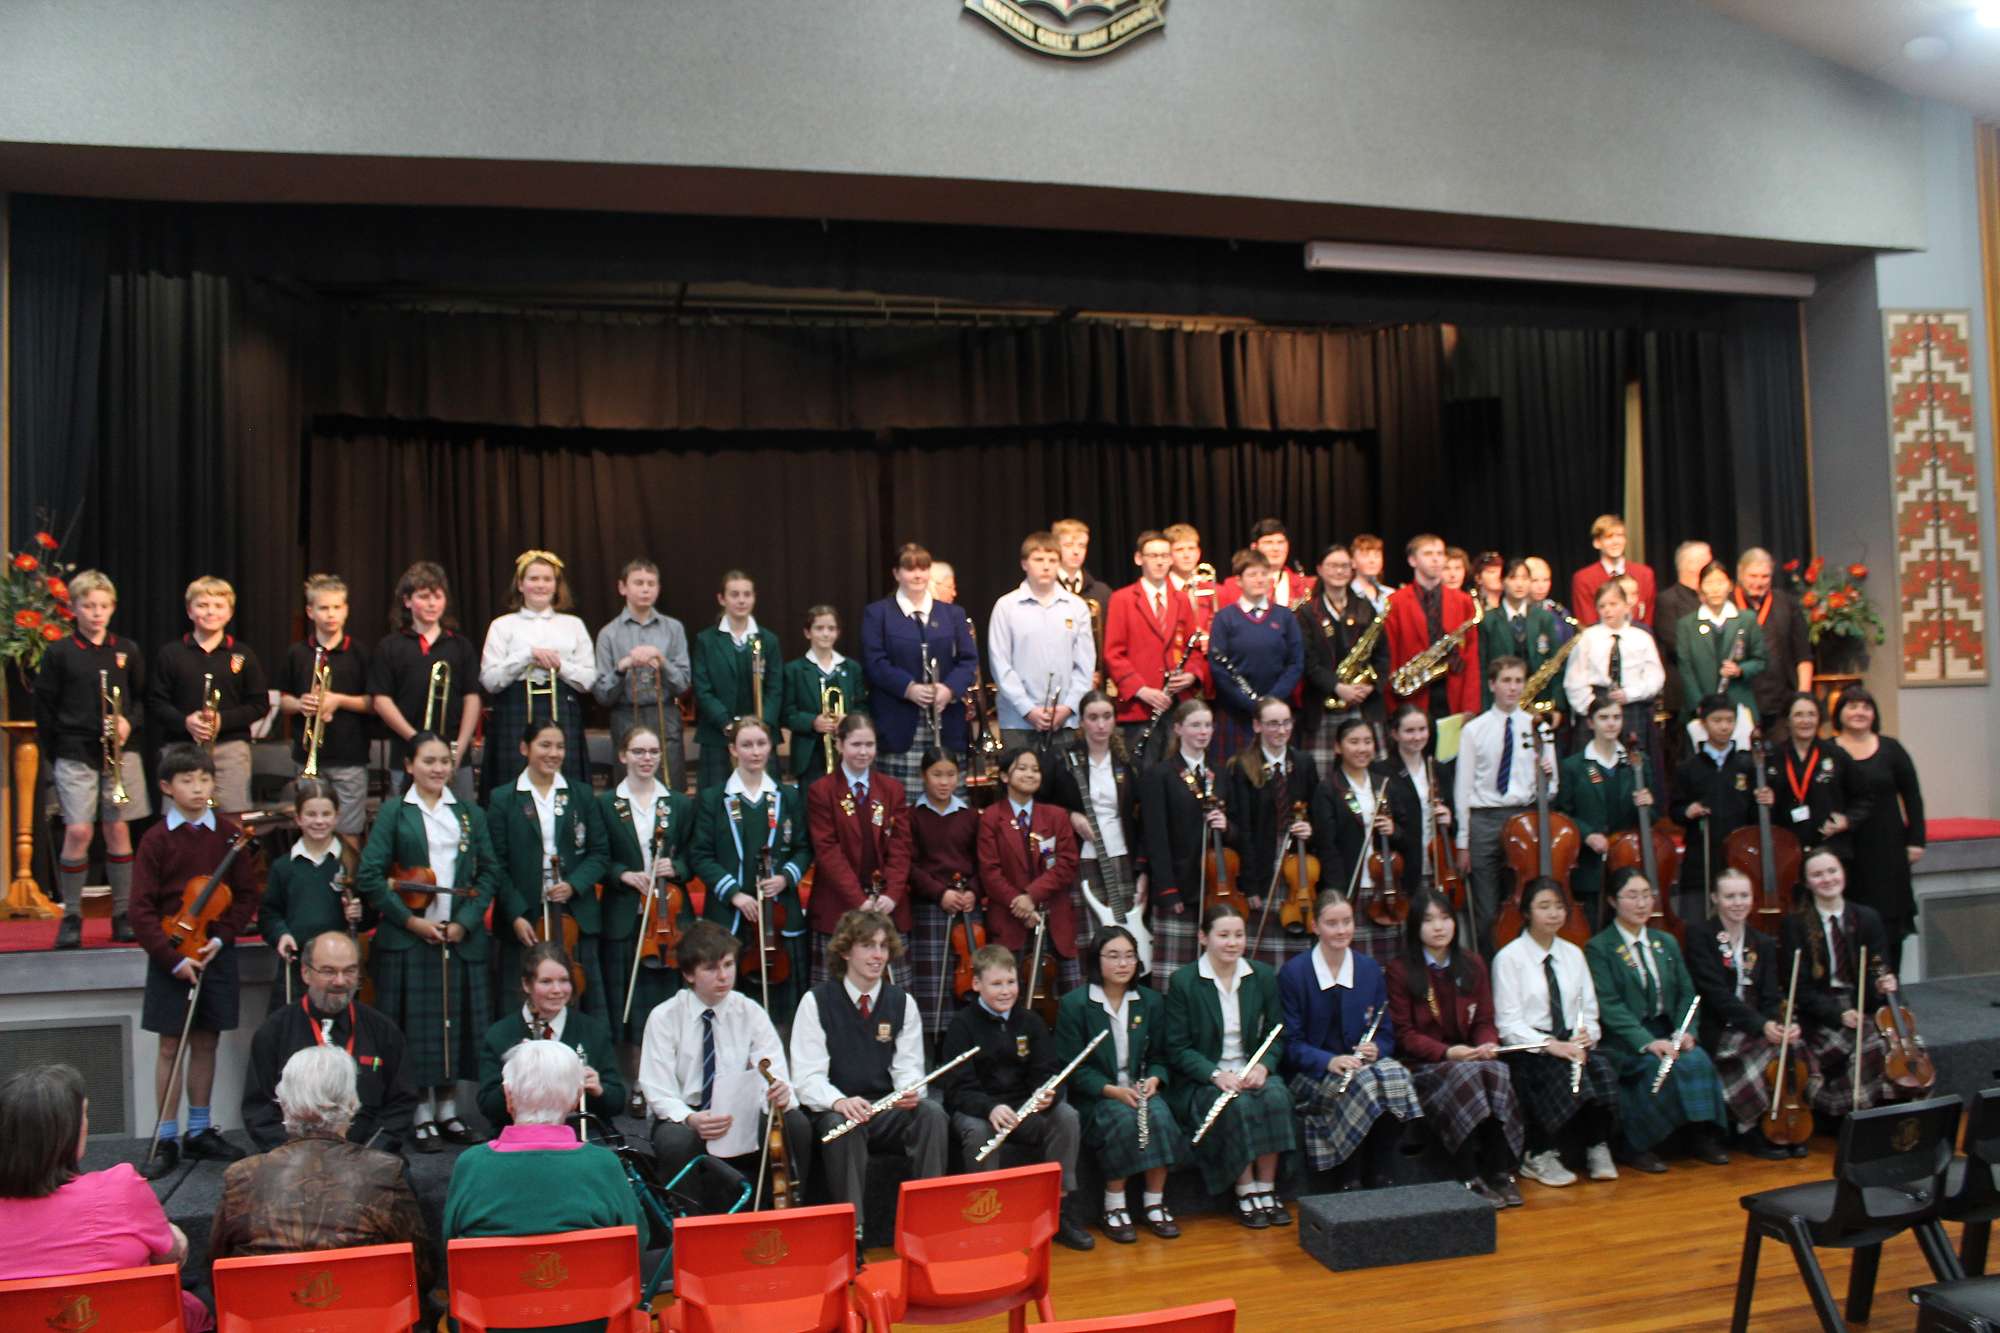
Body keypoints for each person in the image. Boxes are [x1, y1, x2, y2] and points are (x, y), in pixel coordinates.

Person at [356, 731, 502, 1154]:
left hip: (458, 937)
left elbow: (489, 872)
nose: (438, 769)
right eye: (429, 761)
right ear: (409, 765)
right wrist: (410, 921)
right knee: (415, 1032)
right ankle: (418, 1113)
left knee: (453, 1028)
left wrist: (466, 922)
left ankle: (449, 1111)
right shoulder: (394, 812)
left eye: (444, 761)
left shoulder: (470, 813)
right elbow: (370, 875)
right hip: (411, 938)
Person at [212, 1045, 434, 1308]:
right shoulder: (385, 1172)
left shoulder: (241, 1176)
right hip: (367, 1319)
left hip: (269, 1320)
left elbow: (216, 1273)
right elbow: (419, 1275)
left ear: (284, 1104)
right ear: (352, 1103)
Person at [129, 744, 260, 1179]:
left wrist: (221, 938)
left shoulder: (228, 835)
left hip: (213, 953)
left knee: (207, 1041)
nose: (198, 788)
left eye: (204, 779)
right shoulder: (156, 839)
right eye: (187, 781)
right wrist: (171, 959)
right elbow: (141, 910)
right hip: (170, 953)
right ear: (167, 787)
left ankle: (199, 1130)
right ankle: (166, 1135)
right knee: (171, 1045)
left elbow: (245, 896)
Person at [0, 1065, 212, 1332]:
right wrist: (174, 1237)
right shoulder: (120, 1188)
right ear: (67, 1132)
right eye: (84, 1114)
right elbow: (169, 1259)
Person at [790, 909, 948, 1257]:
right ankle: (853, 1235)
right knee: (843, 1124)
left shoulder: (902, 1002)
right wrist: (839, 1101)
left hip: (885, 1110)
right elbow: (806, 1078)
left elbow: (909, 1067)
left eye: (883, 946)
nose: (878, 955)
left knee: (931, 1114)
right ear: (846, 951)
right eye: (867, 946)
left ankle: (928, 1225)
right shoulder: (815, 1002)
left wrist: (910, 1091)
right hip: (836, 1109)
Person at [638, 921, 809, 1201]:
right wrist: (690, 1118)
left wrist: (777, 1092)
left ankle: (783, 1211)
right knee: (675, 1141)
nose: (723, 976)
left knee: (796, 1124)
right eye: (711, 968)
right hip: (687, 1113)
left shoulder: (750, 1011)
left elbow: (774, 1069)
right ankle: (689, 1221)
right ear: (689, 974)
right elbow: (657, 1089)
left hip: (740, 1111)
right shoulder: (664, 1017)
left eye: (728, 965)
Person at [939, 944, 1095, 1250]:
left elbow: (1047, 1072)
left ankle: (1060, 1211)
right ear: (976, 984)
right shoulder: (962, 1025)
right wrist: (990, 1108)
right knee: (978, 1132)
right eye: (996, 984)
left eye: (1011, 982)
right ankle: (985, 1221)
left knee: (1066, 1116)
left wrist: (1049, 1093)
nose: (1006, 991)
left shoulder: (1030, 1021)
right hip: (978, 1110)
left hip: (1024, 1110)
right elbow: (956, 1088)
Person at [1584, 868, 1730, 1172]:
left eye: (1646, 895)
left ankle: (1701, 1136)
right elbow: (1609, 1004)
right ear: (1613, 901)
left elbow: (1687, 993)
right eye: (1632, 896)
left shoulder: (1666, 941)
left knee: (1697, 1059)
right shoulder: (1600, 947)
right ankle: (1637, 1145)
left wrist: (1686, 1030)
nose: (1641, 904)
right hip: (1627, 1037)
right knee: (1654, 1066)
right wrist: (1647, 1042)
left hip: (1668, 1028)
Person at [1385, 890, 1525, 1207]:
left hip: (1470, 1058)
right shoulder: (1401, 970)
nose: (1439, 927)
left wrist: (1487, 1043)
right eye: (1429, 920)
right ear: (1415, 927)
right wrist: (1448, 1053)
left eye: (1445, 918)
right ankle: (1467, 1173)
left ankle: (1499, 1172)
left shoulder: (1472, 963)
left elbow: (1485, 1019)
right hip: (1425, 1064)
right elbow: (1405, 1034)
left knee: (1496, 1070)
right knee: (1467, 1075)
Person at [1278, 890, 1423, 1192]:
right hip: (1311, 1073)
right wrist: (1328, 1060)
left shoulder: (1368, 969)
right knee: (1365, 1084)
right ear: (1315, 926)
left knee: (1397, 1075)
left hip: (1361, 1067)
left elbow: (1386, 1032)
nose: (1341, 930)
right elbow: (1290, 1044)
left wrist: (1376, 1049)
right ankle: (1350, 1176)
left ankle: (1380, 1171)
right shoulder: (1294, 973)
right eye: (1332, 923)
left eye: (1347, 921)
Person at [33, 568, 148, 948]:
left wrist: (128, 723)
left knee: (118, 830)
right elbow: (45, 708)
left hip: (119, 754)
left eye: (103, 606)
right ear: (74, 608)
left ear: (112, 607)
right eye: (88, 606)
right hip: (75, 751)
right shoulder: (60, 652)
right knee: (79, 831)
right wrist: (57, 751)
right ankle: (71, 915)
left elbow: (141, 700)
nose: (96, 613)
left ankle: (122, 913)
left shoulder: (126, 650)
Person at [1164, 902, 1296, 1227]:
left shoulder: (1261, 975)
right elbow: (1177, 1048)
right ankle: (1245, 1190)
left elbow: (1276, 1033)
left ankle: (1267, 1187)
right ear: (1203, 937)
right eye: (1223, 935)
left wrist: (1263, 1066)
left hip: (1251, 1070)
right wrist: (1215, 1074)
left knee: (1277, 1097)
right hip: (1207, 1079)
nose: (1233, 942)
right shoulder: (1183, 981)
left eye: (1239, 935)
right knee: (1237, 1106)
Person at [1055, 926, 1188, 1244]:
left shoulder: (1150, 1001)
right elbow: (1072, 1068)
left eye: (1129, 956)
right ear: (1096, 960)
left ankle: (1154, 1202)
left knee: (1160, 1116)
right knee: (1122, 1119)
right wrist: (1111, 1090)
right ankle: (1113, 1205)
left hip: (1140, 1089)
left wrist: (1155, 1078)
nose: (1123, 963)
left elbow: (1161, 1056)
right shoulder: (1075, 1004)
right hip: (1098, 1095)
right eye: (1113, 956)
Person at [443, 1041, 647, 1246]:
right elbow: (637, 1243)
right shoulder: (604, 1164)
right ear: (577, 1098)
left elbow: (450, 1245)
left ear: (508, 1096)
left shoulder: (471, 1164)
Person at [1491, 877, 1621, 1188]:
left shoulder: (1573, 953)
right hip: (1530, 1045)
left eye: (1559, 906)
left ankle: (1597, 1144)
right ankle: (1538, 1152)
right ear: (1527, 912)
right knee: (1555, 1070)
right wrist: (1549, 1044)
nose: (1553, 914)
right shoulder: (1509, 958)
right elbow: (1508, 1023)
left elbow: (1588, 1008)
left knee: (1602, 1067)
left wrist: (1586, 1034)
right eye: (1544, 907)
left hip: (1570, 1040)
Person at [599, 724, 704, 1105]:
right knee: (631, 1009)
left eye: (653, 752)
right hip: (626, 916)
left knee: (670, 1001)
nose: (647, 759)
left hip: (669, 919)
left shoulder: (678, 803)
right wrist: (623, 875)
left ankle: (673, 1079)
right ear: (623, 755)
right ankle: (639, 1084)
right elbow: (598, 856)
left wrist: (676, 867)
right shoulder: (606, 804)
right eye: (638, 752)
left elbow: (694, 855)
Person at [1686, 867, 1817, 1161]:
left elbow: (1770, 997)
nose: (1738, 903)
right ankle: (1750, 1130)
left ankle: (1786, 1125)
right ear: (1715, 898)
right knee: (1764, 1050)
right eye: (1730, 896)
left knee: (1793, 1045)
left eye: (1744, 896)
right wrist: (1761, 1026)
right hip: (1719, 1027)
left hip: (1756, 1026)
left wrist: (1782, 1024)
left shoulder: (1762, 942)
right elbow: (1716, 995)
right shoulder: (1700, 935)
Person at [241, 930, 414, 1152]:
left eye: (349, 970)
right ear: (305, 973)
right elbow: (259, 1110)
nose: (340, 981)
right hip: (295, 1158)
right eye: (329, 971)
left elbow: (401, 1102)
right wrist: (297, 1156)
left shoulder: (383, 1030)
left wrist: (369, 1153)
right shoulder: (274, 1031)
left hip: (369, 1154)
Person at [691, 716, 812, 1024]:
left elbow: (803, 848)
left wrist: (785, 878)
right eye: (746, 745)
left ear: (771, 747)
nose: (755, 752)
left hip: (779, 917)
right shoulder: (713, 798)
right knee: (730, 1011)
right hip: (730, 917)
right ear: (733, 749)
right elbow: (700, 855)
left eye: (761, 743)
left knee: (783, 1013)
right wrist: (734, 894)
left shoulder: (788, 796)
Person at [487, 719, 611, 1014]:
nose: (553, 753)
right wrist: (515, 913)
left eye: (560, 746)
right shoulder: (503, 798)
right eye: (545, 745)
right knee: (522, 1003)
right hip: (525, 917)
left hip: (573, 913)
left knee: (578, 1001)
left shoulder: (581, 794)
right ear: (524, 748)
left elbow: (599, 853)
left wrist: (574, 885)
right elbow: (496, 863)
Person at [1781, 848, 1900, 1119]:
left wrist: (1881, 985)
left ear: (1843, 873)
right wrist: (1838, 1014)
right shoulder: (1795, 925)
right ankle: (1851, 1113)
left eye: (1832, 871)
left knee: (1899, 1040)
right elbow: (1799, 989)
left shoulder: (1867, 918)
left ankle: (1885, 1114)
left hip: (1862, 1004)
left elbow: (1877, 968)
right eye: (1817, 874)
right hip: (1820, 1011)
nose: (1827, 879)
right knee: (1871, 1042)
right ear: (1807, 882)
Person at [1453, 657, 1556, 949]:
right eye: (1506, 681)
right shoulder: (1474, 730)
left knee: (1523, 902)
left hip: (1524, 817)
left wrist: (1546, 777)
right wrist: (1463, 841)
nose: (1513, 688)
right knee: (1486, 909)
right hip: (1484, 819)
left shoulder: (1539, 728)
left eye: (1518, 681)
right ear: (1492, 685)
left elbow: (1552, 790)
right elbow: (1463, 788)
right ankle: (1488, 968)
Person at [147, 575, 269, 813]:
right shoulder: (171, 654)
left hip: (230, 749)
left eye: (218, 606)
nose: (211, 611)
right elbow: (156, 702)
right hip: (181, 748)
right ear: (189, 611)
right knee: (181, 821)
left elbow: (259, 704)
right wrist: (186, 722)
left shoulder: (243, 654)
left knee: (231, 817)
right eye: (202, 605)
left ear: (230, 612)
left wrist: (222, 720)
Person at [861, 543, 978, 788]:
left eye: (923, 569)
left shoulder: (952, 614)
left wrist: (949, 689)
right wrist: (909, 688)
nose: (917, 575)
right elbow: (874, 662)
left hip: (946, 721)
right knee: (901, 799)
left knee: (947, 799)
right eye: (910, 569)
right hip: (899, 723)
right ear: (896, 573)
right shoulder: (878, 613)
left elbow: (968, 660)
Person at [1042, 692, 1147, 963]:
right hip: (1082, 856)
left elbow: (1142, 817)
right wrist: (1070, 816)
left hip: (1121, 854)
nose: (1101, 725)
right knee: (1088, 935)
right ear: (1081, 722)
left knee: (1123, 933)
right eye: (1093, 718)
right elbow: (1042, 805)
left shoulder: (1128, 762)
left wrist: (1143, 868)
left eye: (1107, 717)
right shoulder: (1063, 759)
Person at [806, 714, 912, 980]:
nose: (863, 752)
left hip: (886, 905)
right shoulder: (822, 791)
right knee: (835, 992)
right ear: (839, 745)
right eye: (856, 744)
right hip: (839, 904)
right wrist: (859, 901)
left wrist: (891, 894)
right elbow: (828, 851)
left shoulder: (892, 789)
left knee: (892, 993)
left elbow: (901, 847)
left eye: (869, 745)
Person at [479, 549, 595, 791]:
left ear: (556, 585)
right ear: (520, 584)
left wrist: (559, 665)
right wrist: (527, 655)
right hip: (515, 707)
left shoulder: (573, 625)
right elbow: (489, 680)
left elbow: (588, 680)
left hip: (561, 706)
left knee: (565, 782)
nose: (540, 585)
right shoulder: (502, 626)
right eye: (533, 578)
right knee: (512, 783)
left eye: (547, 579)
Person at [478, 941, 625, 1128]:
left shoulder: (593, 1030)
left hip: (580, 1134)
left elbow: (617, 1103)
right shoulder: (500, 1034)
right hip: (521, 1137)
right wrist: (515, 1078)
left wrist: (600, 1090)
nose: (557, 990)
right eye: (546, 981)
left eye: (564, 980)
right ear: (526, 984)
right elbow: (488, 1107)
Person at [369, 560, 481, 802]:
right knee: (408, 819)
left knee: (461, 818)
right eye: (423, 596)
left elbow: (472, 698)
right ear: (407, 601)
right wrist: (417, 741)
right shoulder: (389, 646)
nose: (432, 603)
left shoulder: (460, 646)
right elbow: (381, 700)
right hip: (406, 755)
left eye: (438, 597)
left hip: (455, 757)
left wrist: (459, 747)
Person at [1832, 687, 1926, 973]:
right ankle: (1855, 986)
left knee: (1890, 920)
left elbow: (1912, 796)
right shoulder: (1828, 750)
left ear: (1874, 714)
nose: (1859, 712)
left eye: (1866, 707)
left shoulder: (1891, 749)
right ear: (1839, 713)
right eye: (1852, 706)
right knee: (1849, 920)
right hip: (1846, 850)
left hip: (1888, 848)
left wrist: (1916, 841)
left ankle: (1889, 984)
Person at [1139, 699, 1231, 986]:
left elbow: (1239, 830)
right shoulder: (1160, 774)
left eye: (1208, 725)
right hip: (1178, 885)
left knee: (1214, 976)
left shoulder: (1221, 773)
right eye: (1195, 725)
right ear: (1178, 729)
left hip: (1216, 887)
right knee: (1175, 978)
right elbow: (1155, 837)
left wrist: (1227, 826)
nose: (1203, 732)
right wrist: (1167, 890)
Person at [977, 747, 1083, 993]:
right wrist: (1020, 905)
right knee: (1011, 997)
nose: (1030, 774)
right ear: (1005, 776)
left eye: (1035, 770)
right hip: (1009, 921)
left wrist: (1031, 896)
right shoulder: (991, 817)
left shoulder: (1056, 816)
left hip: (1054, 920)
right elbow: (989, 872)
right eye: (1022, 768)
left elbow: (1067, 863)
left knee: (1064, 1000)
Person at [277, 574, 371, 845]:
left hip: (350, 758)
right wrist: (300, 704)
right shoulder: (297, 653)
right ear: (310, 612)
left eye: (337, 607)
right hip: (307, 757)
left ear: (346, 610)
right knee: (312, 829)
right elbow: (282, 700)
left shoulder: (360, 653)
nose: (331, 614)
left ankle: (347, 875)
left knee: (349, 831)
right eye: (323, 608)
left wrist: (338, 700)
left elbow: (373, 703)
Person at [260, 780, 369, 1011]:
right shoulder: (283, 867)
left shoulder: (351, 862)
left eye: (326, 814)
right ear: (298, 818)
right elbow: (269, 914)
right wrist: (281, 935)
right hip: (297, 964)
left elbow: (369, 917)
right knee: (292, 1029)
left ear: (337, 817)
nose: (319, 821)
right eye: (311, 814)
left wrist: (359, 914)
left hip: (339, 970)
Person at [1317, 714, 1413, 966]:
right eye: (1354, 742)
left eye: (1368, 742)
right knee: (1354, 963)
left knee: (1392, 963)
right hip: (1352, 888)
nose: (1362, 748)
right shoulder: (1329, 788)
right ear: (1338, 747)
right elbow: (1327, 846)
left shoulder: (1384, 785)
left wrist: (1393, 830)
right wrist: (1339, 893)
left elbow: (1407, 836)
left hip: (1386, 887)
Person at [1102, 530, 1207, 760]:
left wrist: (1190, 675)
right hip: (1140, 706)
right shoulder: (1122, 599)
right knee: (1143, 772)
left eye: (1165, 556)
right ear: (1139, 559)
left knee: (1176, 770)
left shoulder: (1181, 599)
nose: (1160, 562)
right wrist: (1141, 690)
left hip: (1176, 704)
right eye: (1153, 556)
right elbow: (1113, 653)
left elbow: (1194, 649)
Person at [989, 530, 1096, 753]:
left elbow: (1085, 664)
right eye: (1038, 559)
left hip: (1065, 720)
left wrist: (1068, 707)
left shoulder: (1076, 606)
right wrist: (1028, 709)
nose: (1046, 566)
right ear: (1024, 564)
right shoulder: (1006, 606)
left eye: (1052, 560)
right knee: (1020, 774)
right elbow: (1000, 664)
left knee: (1064, 776)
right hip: (1018, 721)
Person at [593, 557, 693, 791]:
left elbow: (683, 684)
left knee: (670, 786)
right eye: (638, 583)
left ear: (658, 588)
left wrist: (662, 661)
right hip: (626, 715)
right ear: (622, 587)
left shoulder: (673, 628)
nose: (645, 589)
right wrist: (622, 668)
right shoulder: (608, 634)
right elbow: (602, 695)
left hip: (664, 714)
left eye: (651, 583)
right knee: (629, 788)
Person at [904, 748, 982, 1040]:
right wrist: (939, 893)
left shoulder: (969, 816)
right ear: (923, 776)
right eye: (937, 774)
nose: (944, 782)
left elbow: (984, 861)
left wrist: (974, 891)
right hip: (929, 907)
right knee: (932, 982)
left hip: (966, 907)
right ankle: (932, 1043)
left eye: (950, 775)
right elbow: (908, 865)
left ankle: (967, 1038)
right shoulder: (912, 816)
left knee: (967, 975)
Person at [1297, 543, 1390, 781]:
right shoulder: (1307, 612)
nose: (1339, 571)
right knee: (1321, 779)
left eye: (1344, 566)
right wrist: (1337, 687)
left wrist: (1370, 685)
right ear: (1320, 569)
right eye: (1332, 566)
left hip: (1362, 704)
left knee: (1372, 776)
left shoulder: (1365, 608)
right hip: (1322, 706)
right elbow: (1307, 661)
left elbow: (1382, 655)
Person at [1554, 692, 1648, 922]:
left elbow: (1652, 818)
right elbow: (1563, 814)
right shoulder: (1573, 766)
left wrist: (1647, 805)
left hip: (1627, 859)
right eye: (1604, 717)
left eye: (1616, 717)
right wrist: (1587, 835)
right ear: (1590, 722)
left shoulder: (1637, 763)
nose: (1611, 723)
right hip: (1589, 863)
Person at [690, 568, 785, 789]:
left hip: (760, 737)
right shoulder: (706, 640)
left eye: (747, 594)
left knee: (765, 797)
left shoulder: (768, 640)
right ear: (721, 599)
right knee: (716, 799)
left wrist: (761, 726)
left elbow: (775, 688)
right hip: (718, 735)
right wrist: (726, 723)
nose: (741, 600)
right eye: (734, 594)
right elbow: (702, 688)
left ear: (754, 597)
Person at [1207, 548, 1304, 758]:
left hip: (1278, 711)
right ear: (1238, 581)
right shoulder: (1224, 618)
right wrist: (1249, 703)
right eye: (1252, 574)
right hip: (1236, 712)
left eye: (1264, 573)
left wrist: (1271, 702)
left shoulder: (1285, 616)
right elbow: (1218, 667)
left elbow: (1295, 662)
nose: (1260, 579)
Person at [1563, 578, 1665, 763]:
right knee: (1594, 762)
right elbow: (1575, 678)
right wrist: (1590, 707)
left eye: (1613, 604)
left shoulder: (1641, 638)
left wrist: (1631, 694)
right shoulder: (1588, 637)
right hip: (1597, 702)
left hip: (1632, 705)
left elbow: (1655, 677)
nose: (1607, 610)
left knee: (1633, 760)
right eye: (1602, 606)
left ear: (1626, 606)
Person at [1383, 534, 1480, 721]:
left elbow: (1471, 657)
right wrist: (1392, 707)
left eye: (1440, 554)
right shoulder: (1395, 602)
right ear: (1412, 560)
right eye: (1428, 554)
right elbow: (1390, 656)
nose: (1436, 559)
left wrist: (1470, 707)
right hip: (1411, 697)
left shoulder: (1463, 601)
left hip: (1453, 693)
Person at [1770, 691, 1865, 868]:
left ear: (1819, 719)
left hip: (1830, 848)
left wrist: (1847, 820)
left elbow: (1864, 797)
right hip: (1787, 851)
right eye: (1798, 715)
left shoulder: (1836, 755)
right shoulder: (1772, 757)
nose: (1805, 721)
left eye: (1811, 714)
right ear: (1787, 720)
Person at [782, 603, 868, 787]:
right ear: (807, 633)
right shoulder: (794, 670)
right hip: (809, 755)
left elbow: (862, 707)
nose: (826, 634)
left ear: (838, 633)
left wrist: (848, 720)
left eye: (831, 628)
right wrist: (813, 722)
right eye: (819, 628)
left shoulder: (851, 668)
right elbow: (787, 714)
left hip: (847, 750)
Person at [1674, 561, 1765, 734]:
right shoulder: (1687, 624)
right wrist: (1699, 705)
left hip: (1739, 705)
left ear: (1730, 586)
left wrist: (1740, 669)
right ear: (1700, 588)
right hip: (1701, 708)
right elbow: (1686, 669)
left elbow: (1760, 660)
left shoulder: (1747, 619)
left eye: (1720, 582)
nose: (1715, 589)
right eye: (1709, 583)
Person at [1735, 548, 1813, 726]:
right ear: (1740, 574)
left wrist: (1803, 698)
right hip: (1739, 703)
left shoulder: (1787, 604)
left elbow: (1803, 656)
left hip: (1782, 704)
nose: (1758, 583)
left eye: (1765, 577)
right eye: (1753, 576)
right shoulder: (1728, 606)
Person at [1382, 704, 1453, 889]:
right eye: (1409, 731)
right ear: (1395, 734)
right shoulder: (1382, 771)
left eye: (1422, 729)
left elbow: (1455, 814)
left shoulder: (1439, 769)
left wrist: (1449, 817)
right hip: (1403, 864)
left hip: (1438, 861)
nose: (1417, 736)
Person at [1481, 559, 1563, 716]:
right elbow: (1483, 668)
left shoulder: (1544, 618)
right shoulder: (1489, 620)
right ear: (1502, 581)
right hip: (1501, 704)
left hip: (1540, 702)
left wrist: (1558, 706)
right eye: (1513, 578)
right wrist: (1485, 708)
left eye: (1525, 578)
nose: (1519, 584)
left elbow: (1555, 663)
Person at [1654, 540, 1714, 736]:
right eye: (1707, 562)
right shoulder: (1668, 600)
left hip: (1713, 689)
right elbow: (1675, 643)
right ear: (1691, 565)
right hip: (1683, 695)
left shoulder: (1713, 600)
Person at [1571, 514, 1657, 627]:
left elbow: (1648, 617)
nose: (1615, 542)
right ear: (1597, 542)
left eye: (1620, 536)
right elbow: (1587, 621)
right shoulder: (1584, 578)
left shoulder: (1644, 574)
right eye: (1609, 537)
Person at [1220, 518, 1313, 611]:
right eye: (1268, 542)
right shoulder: (1232, 586)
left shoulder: (1306, 585)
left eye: (1280, 542)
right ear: (1254, 547)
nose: (1276, 548)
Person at [1524, 558, 1577, 647]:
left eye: (1546, 580)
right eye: (1534, 580)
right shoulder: (1516, 613)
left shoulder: (1559, 613)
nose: (1541, 586)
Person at [1349, 533, 1395, 615]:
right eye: (1365, 555)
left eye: (1377, 555)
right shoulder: (1347, 594)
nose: (1372, 560)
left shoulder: (1391, 594)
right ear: (1353, 562)